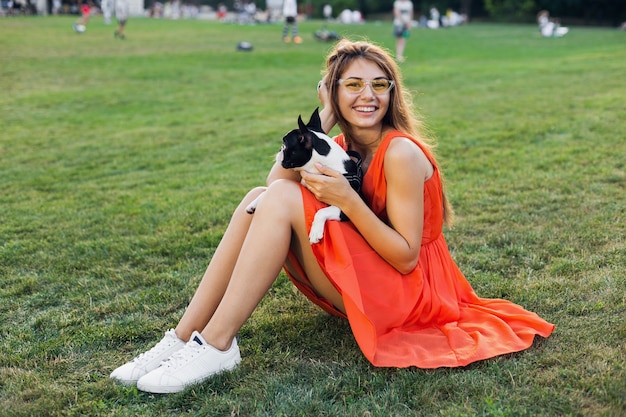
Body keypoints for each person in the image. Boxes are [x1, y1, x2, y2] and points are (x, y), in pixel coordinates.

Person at [110, 39, 555, 394]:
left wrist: (348, 197)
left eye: (380, 85)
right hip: (370, 283)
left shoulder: (399, 152)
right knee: (260, 194)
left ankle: (220, 343)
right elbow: (274, 180)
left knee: (279, 199)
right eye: (353, 85)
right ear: (334, 93)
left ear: (392, 93)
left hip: (410, 296)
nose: (368, 95)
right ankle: (183, 338)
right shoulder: (340, 149)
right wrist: (319, 120)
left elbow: (404, 258)